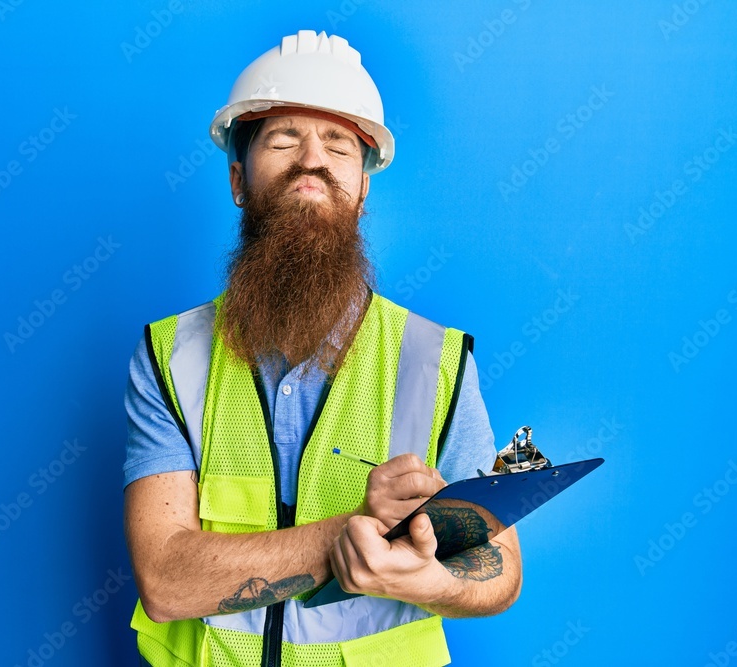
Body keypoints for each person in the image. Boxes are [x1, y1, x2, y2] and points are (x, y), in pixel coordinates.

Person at [123, 30, 522, 667]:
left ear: (362, 189)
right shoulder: (170, 357)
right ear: (238, 179)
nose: (312, 160)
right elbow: (166, 583)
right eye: (284, 139)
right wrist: (354, 533)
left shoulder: (435, 360)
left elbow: (499, 569)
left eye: (339, 144)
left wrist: (429, 581)